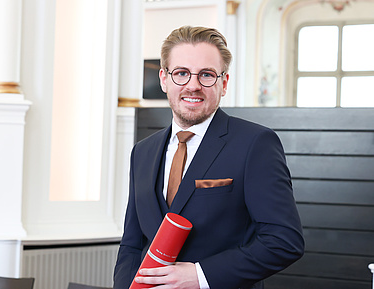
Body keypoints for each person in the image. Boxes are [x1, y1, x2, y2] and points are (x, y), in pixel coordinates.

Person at [113, 25, 304, 289]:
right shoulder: (142, 152)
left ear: (223, 84)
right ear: (164, 79)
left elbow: (284, 241)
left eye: (206, 75)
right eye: (181, 73)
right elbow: (132, 244)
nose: (193, 85)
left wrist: (200, 276)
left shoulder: (255, 144)